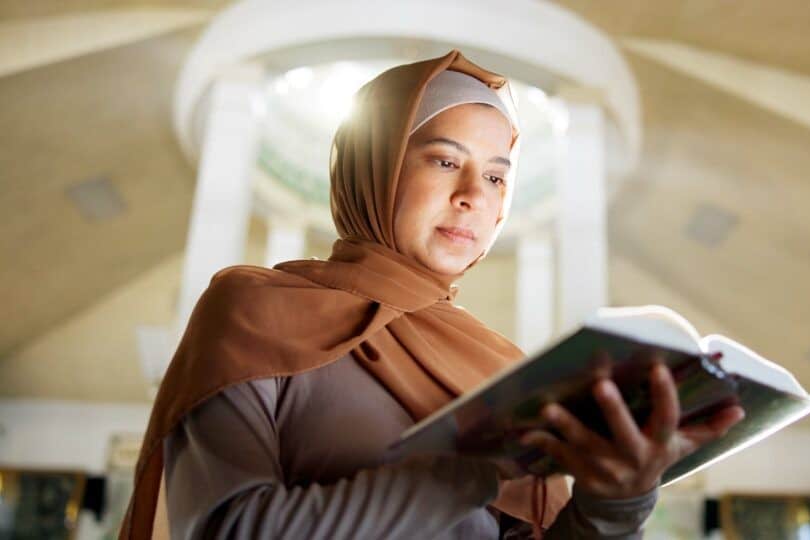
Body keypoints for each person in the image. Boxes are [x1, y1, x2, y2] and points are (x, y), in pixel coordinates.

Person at [119, 50, 744, 540]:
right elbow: (228, 527)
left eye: (497, 175)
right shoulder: (255, 309)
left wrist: (619, 500)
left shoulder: (498, 365)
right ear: (377, 166)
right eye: (445, 161)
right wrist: (478, 471)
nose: (476, 193)